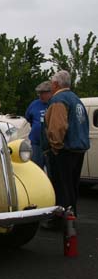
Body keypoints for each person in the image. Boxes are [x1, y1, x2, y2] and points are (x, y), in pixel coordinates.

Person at [43, 70, 90, 218]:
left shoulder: (59, 99)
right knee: (72, 187)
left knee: (61, 187)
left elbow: (58, 127)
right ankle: (71, 215)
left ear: (56, 84)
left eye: (52, 82)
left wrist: (55, 147)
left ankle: (62, 218)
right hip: (78, 148)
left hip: (65, 150)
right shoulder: (76, 99)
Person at [25, 81, 51, 169]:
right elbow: (28, 119)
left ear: (50, 93)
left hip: (50, 146)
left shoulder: (54, 103)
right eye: (39, 93)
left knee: (52, 171)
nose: (40, 95)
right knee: (36, 169)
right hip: (36, 144)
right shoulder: (34, 104)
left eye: (43, 93)